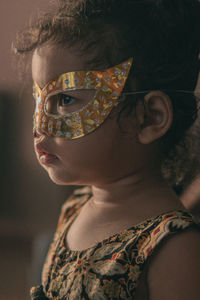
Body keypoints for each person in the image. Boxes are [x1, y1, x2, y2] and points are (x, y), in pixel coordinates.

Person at [14, 0, 200, 299]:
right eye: (39, 100)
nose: (40, 126)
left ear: (149, 117)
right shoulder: (75, 207)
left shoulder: (173, 248)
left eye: (65, 100)